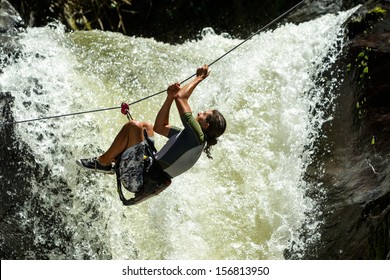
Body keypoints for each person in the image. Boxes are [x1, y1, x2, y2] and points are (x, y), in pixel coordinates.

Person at [76, 64, 226, 194]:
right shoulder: (190, 138)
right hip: (142, 172)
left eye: (204, 114)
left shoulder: (197, 136)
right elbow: (160, 127)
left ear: (206, 125)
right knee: (146, 127)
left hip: (137, 179)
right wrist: (169, 98)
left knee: (133, 126)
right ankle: (113, 161)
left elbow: (181, 98)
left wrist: (199, 78)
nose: (200, 112)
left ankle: (102, 162)